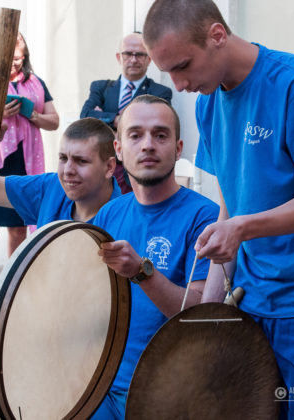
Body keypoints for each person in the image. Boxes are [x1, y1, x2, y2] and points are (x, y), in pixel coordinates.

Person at [143, 1, 294, 419]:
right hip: (252, 303)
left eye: (183, 66)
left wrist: (241, 228)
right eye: (169, 73)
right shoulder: (208, 104)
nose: (179, 85)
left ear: (217, 35)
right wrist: (206, 317)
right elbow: (231, 207)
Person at [0, 116, 121, 420]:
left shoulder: (125, 220)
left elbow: (74, 317)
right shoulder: (51, 188)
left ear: (109, 167)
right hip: (19, 353)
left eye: (81, 161)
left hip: (74, 370)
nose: (68, 170)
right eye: (63, 158)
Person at [89, 94, 220, 418]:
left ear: (178, 148)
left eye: (160, 135)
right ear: (119, 149)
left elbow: (200, 315)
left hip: (169, 394)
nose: (148, 145)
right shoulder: (108, 214)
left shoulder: (205, 217)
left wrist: (141, 272)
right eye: (135, 135)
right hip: (101, 386)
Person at [0, 33, 59, 329]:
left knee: (18, 228)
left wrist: (32, 115)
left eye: (20, 58)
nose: (16, 63)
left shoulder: (36, 83)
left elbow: (54, 120)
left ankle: (7, 291)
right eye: (11, 58)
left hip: (24, 160)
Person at [80, 32, 173, 193]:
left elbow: (157, 126)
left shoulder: (160, 92)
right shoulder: (101, 88)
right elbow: (86, 115)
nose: (134, 59)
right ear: (119, 57)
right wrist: (117, 119)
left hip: (137, 172)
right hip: (101, 169)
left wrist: (103, 119)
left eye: (140, 55)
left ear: (149, 59)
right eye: (128, 54)